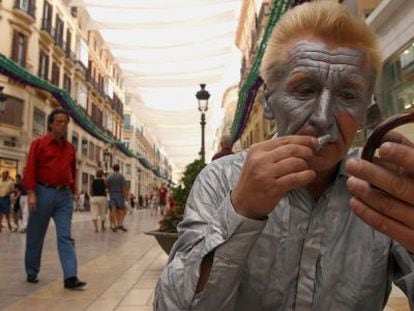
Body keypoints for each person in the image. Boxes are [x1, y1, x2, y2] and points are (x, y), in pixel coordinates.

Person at [154, 2, 414, 310]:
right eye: (304, 90)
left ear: (364, 107)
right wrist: (241, 210)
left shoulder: (380, 187)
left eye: (347, 95)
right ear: (267, 101)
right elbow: (171, 305)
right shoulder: (222, 179)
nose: (322, 117)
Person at [23, 108, 86, 290]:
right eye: (59, 122)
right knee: (36, 235)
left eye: (65, 122)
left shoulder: (70, 149)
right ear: (51, 124)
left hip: (64, 196)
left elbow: (72, 171)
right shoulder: (39, 144)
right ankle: (32, 271)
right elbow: (31, 168)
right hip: (43, 192)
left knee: (65, 236)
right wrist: (31, 192)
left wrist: (73, 191)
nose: (63, 125)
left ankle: (70, 277)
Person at [106, 164, 128, 232]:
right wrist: (125, 197)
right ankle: (120, 224)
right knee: (123, 210)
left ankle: (114, 225)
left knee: (113, 210)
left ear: (113, 168)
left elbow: (107, 186)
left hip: (112, 195)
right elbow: (124, 187)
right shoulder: (121, 176)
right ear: (119, 169)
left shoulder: (109, 177)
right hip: (119, 195)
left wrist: (110, 191)